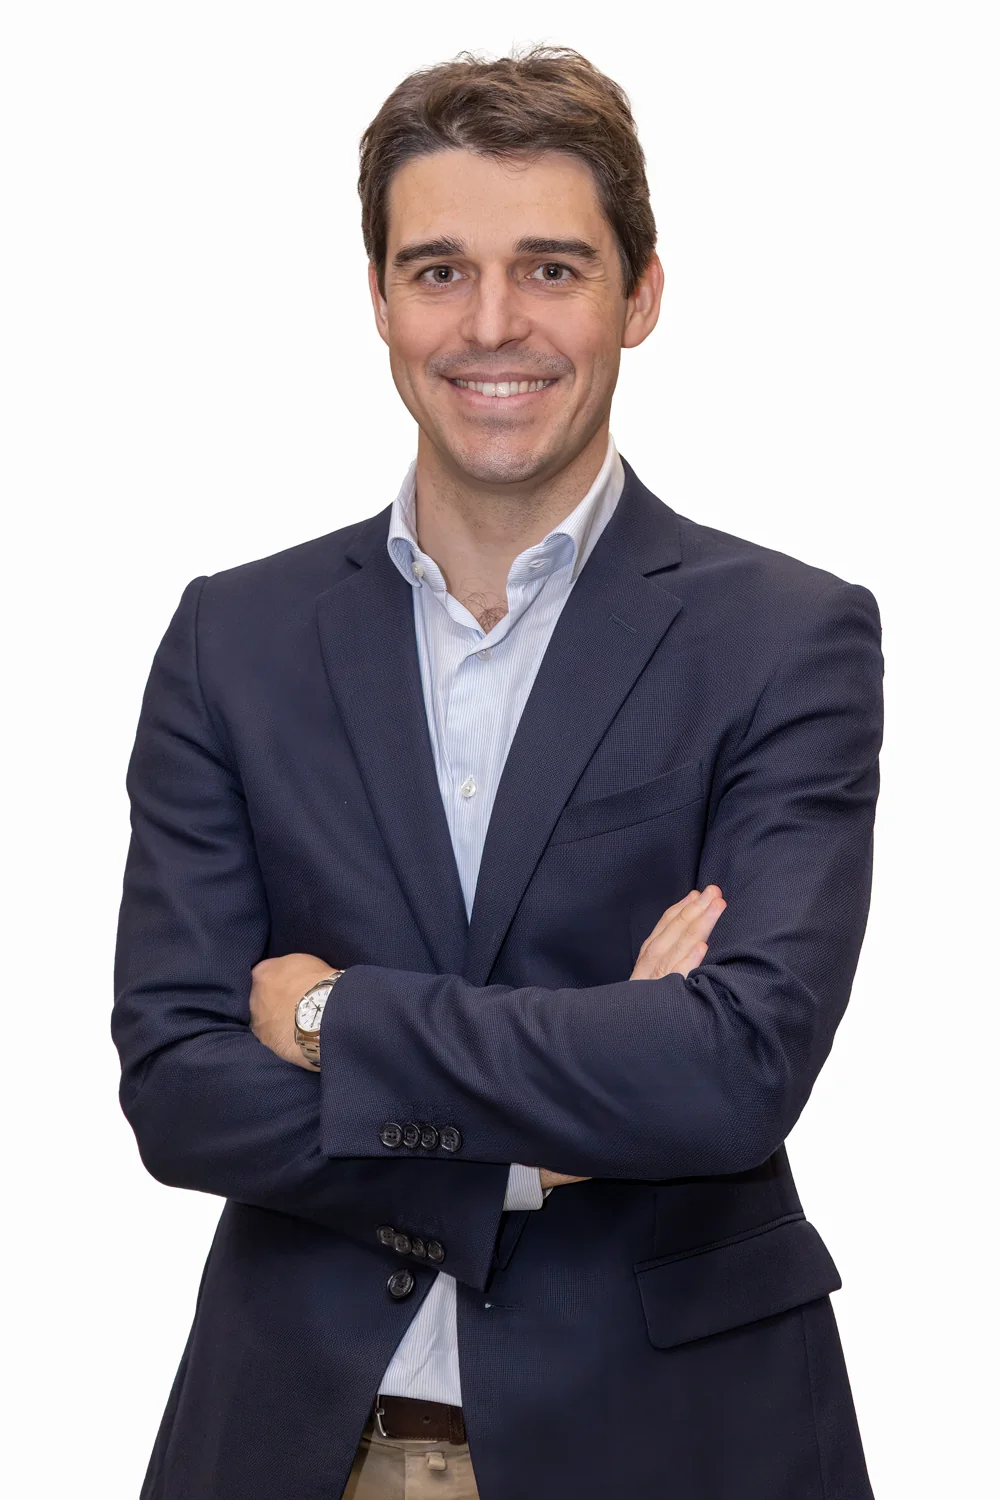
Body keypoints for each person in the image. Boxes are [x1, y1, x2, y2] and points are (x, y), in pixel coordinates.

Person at [112, 45, 883, 1500]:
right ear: (380, 299)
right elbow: (180, 1084)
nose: (491, 325)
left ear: (639, 296)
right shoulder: (236, 639)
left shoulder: (787, 639)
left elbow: (731, 1073)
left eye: (551, 268)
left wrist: (333, 1019)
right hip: (295, 1441)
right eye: (439, 271)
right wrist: (546, 1133)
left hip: (675, 1444)